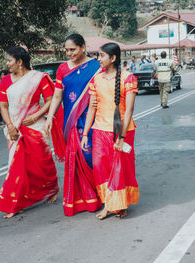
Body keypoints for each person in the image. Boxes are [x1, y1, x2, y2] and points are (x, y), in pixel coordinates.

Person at [0, 46, 65, 219]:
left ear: (19, 62)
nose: (7, 64)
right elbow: (3, 106)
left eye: (10, 60)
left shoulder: (38, 78)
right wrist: (10, 125)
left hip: (35, 126)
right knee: (16, 166)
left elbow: (50, 101)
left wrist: (36, 117)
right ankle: (16, 203)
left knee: (41, 162)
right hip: (15, 128)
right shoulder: (5, 81)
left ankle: (52, 188)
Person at [44, 33, 103, 216]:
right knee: (77, 160)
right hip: (71, 121)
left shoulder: (95, 66)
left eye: (73, 49)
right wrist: (50, 116)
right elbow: (57, 95)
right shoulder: (62, 69)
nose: (69, 53)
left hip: (94, 119)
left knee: (92, 158)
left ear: (83, 47)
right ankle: (84, 198)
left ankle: (101, 195)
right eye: (67, 50)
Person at [81, 43, 139, 219]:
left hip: (122, 131)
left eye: (102, 55)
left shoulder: (128, 78)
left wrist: (121, 137)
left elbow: (128, 111)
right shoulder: (96, 79)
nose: (98, 59)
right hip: (99, 131)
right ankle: (109, 203)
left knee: (119, 169)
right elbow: (91, 108)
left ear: (112, 58)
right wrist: (85, 134)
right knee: (100, 168)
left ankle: (118, 205)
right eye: (98, 55)